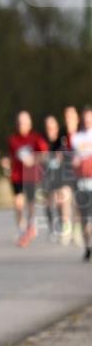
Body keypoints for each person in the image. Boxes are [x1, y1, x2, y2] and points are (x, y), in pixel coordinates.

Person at [1, 111, 48, 247]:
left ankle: (31, 224)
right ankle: (22, 232)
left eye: (24, 123)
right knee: (18, 204)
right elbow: (10, 156)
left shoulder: (36, 138)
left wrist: (33, 159)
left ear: (29, 124)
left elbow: (44, 155)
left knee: (30, 203)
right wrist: (6, 162)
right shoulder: (12, 140)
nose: (22, 125)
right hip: (17, 176)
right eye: (20, 123)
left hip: (31, 176)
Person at [42, 115, 71, 243]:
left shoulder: (62, 140)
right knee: (48, 204)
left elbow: (67, 154)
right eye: (48, 128)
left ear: (57, 128)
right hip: (47, 175)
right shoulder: (42, 141)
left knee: (62, 200)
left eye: (53, 127)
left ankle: (64, 225)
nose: (51, 130)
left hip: (61, 174)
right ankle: (51, 227)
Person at [73, 106, 92, 262]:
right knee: (85, 217)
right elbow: (72, 159)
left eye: (90, 118)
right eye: (85, 118)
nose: (87, 121)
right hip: (82, 181)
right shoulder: (76, 138)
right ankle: (87, 247)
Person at [63, 105, 82, 246]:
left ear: (77, 118)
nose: (69, 119)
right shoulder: (62, 136)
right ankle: (66, 228)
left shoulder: (82, 135)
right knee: (64, 198)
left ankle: (77, 228)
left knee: (78, 202)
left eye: (71, 116)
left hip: (81, 173)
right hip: (65, 172)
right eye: (67, 117)